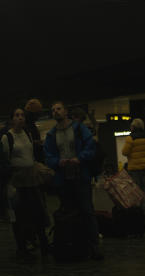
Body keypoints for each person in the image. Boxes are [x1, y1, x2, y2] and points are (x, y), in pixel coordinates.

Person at [43, 101, 103, 259]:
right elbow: (48, 156)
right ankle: (75, 243)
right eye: (53, 110)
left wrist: (79, 158)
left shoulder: (78, 128)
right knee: (69, 211)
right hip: (64, 178)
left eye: (59, 109)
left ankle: (93, 245)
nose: (56, 112)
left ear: (65, 111)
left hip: (80, 175)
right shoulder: (51, 134)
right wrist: (57, 162)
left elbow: (90, 147)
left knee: (87, 210)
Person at [2, 107, 48, 259]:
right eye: (16, 115)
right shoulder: (7, 137)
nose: (20, 118)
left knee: (38, 213)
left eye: (22, 115)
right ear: (11, 119)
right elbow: (4, 160)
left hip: (31, 178)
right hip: (17, 181)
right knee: (20, 216)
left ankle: (42, 244)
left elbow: (31, 155)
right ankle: (22, 247)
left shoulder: (27, 134)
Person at [121, 118, 145, 216]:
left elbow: (124, 152)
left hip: (134, 168)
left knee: (136, 190)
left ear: (133, 127)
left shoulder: (130, 138)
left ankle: (137, 210)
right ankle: (144, 210)